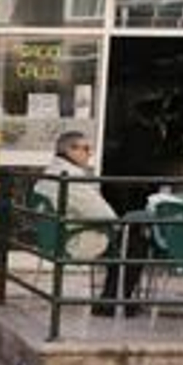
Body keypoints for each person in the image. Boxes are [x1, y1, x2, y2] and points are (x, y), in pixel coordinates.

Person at [34, 131, 130, 315]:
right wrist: (121, 225)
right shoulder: (72, 179)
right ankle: (111, 304)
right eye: (85, 149)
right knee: (133, 241)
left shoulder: (49, 173)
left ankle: (111, 300)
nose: (90, 153)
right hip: (73, 241)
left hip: (53, 239)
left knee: (125, 239)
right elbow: (106, 216)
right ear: (70, 150)